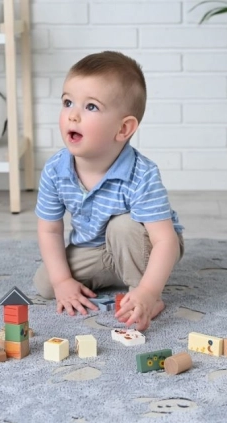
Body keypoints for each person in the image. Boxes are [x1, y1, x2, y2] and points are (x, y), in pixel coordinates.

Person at [33, 51, 184, 331]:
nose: (73, 116)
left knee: (123, 226)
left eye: (91, 107)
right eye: (68, 102)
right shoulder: (56, 169)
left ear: (123, 128)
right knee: (46, 283)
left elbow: (166, 241)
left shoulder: (141, 174)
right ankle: (117, 276)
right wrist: (63, 281)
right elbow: (50, 230)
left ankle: (145, 293)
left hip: (144, 244)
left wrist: (149, 291)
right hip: (95, 249)